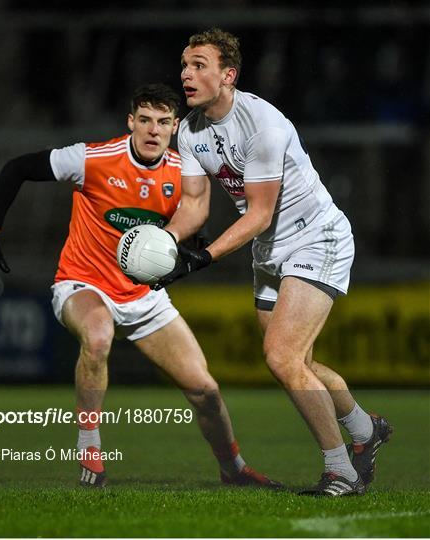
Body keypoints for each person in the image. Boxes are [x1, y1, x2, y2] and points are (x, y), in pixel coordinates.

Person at [0, 83, 282, 490]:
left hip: (144, 297)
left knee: (206, 391)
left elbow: (193, 225)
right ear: (131, 121)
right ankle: (89, 450)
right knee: (97, 336)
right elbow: (17, 168)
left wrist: (187, 248)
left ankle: (233, 469)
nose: (152, 131)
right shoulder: (93, 159)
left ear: (175, 127)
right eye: (144, 120)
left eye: (163, 122)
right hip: (82, 284)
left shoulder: (185, 171)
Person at [156, 29, 393, 496]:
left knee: (283, 357)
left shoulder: (262, 123)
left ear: (228, 75)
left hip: (314, 238)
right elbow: (195, 204)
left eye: (199, 64)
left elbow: (260, 212)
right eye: (184, 64)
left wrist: (203, 256)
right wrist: (163, 245)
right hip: (269, 248)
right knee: (295, 359)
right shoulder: (189, 130)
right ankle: (365, 430)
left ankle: (341, 471)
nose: (186, 73)